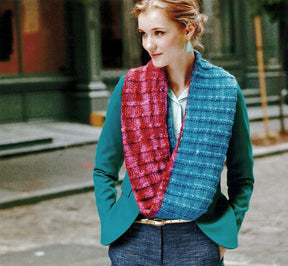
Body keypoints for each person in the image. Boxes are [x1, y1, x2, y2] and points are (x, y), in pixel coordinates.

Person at [93, 0, 254, 265]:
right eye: (144, 34)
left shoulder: (224, 89)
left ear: (188, 30)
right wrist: (111, 223)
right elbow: (104, 169)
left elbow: (242, 176)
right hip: (134, 239)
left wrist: (225, 235)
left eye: (159, 33)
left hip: (197, 238)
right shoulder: (129, 87)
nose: (149, 45)